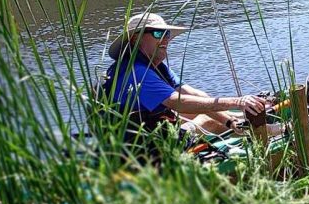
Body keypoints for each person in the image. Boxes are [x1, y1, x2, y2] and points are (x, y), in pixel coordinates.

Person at [102, 12, 268, 141]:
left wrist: (230, 120)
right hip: (142, 146)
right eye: (158, 34)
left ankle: (251, 122)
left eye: (167, 34)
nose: (166, 39)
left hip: (153, 126)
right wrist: (237, 102)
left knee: (200, 112)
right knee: (205, 120)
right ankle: (274, 131)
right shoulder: (136, 72)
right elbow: (178, 102)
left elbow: (194, 95)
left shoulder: (155, 67)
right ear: (136, 38)